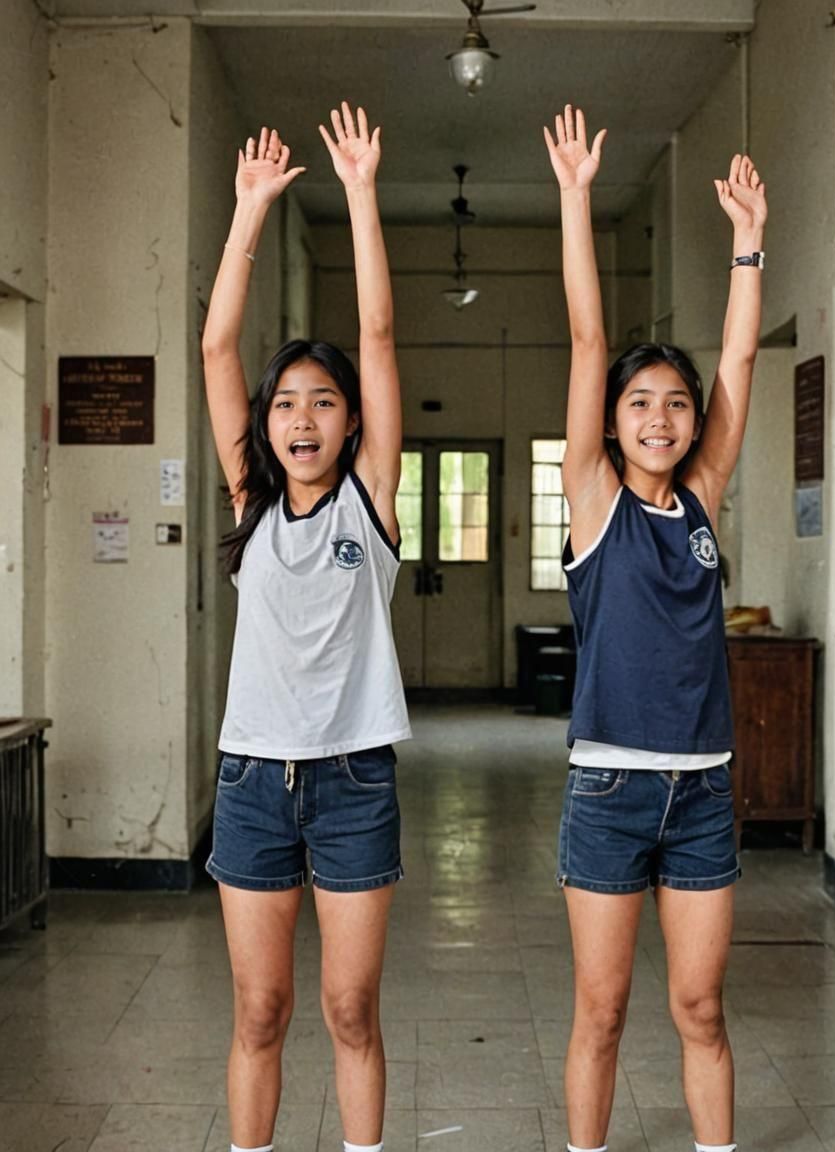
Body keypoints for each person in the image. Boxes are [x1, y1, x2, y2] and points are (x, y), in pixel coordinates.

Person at [543, 104, 766, 1152]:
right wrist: (576, 196)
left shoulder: (702, 496)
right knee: (600, 1011)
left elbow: (740, 368)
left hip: (702, 787)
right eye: (639, 403)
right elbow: (588, 336)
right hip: (608, 788)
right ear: (610, 420)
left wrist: (747, 248)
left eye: (674, 403)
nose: (661, 418)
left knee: (699, 1011)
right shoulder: (593, 498)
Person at [201, 103, 410, 1152]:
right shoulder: (250, 503)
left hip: (353, 782)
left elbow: (376, 335)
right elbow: (214, 343)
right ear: (265, 423)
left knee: (348, 1013)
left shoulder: (369, 501)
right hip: (250, 783)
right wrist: (247, 213)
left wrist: (361, 194)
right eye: (285, 403)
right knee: (259, 1012)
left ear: (351, 423)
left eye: (322, 402)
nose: (301, 418)